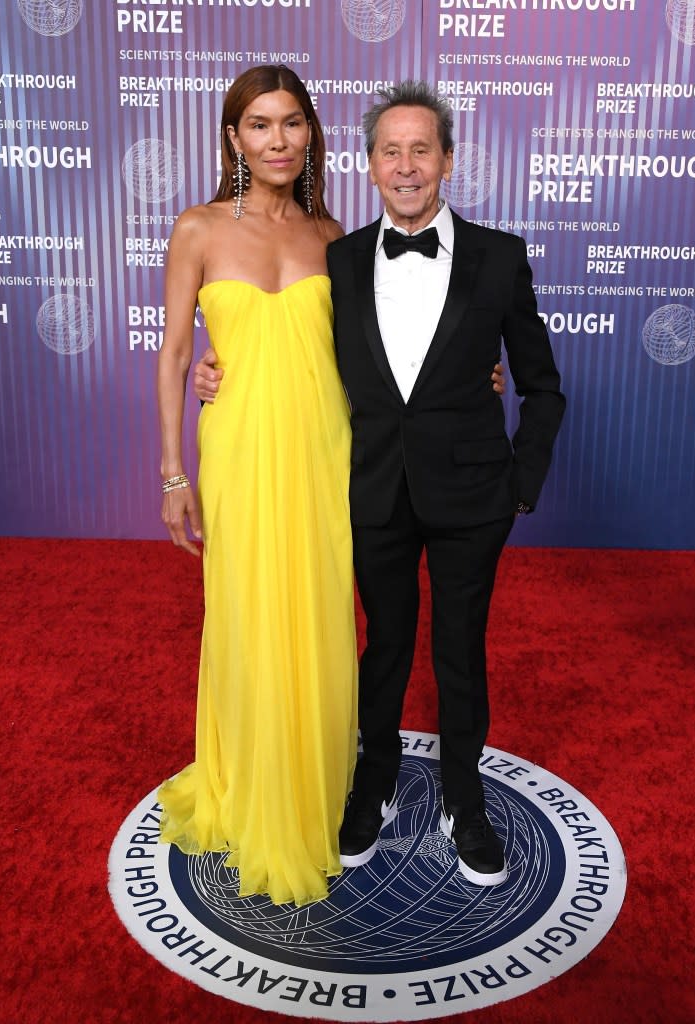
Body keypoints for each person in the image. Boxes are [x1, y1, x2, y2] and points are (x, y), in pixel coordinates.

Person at [194, 81, 558, 889]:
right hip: (370, 492)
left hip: (471, 497)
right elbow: (282, 340)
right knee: (384, 647)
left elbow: (541, 383)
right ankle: (373, 786)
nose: (405, 166)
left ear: (447, 161)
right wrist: (216, 365)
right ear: (366, 165)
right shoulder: (339, 255)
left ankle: (467, 803)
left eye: (419, 149)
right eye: (388, 151)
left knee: (459, 653)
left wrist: (518, 483)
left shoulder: (501, 255)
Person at [155, 65, 359, 907]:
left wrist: (470, 380)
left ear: (311, 132)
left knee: (316, 608)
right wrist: (173, 473)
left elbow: (367, 355)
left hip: (322, 448)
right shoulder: (198, 229)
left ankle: (311, 782)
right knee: (244, 607)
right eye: (259, 126)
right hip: (236, 447)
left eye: (292, 124)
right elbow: (173, 354)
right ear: (233, 138)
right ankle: (248, 782)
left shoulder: (333, 233)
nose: (277, 141)